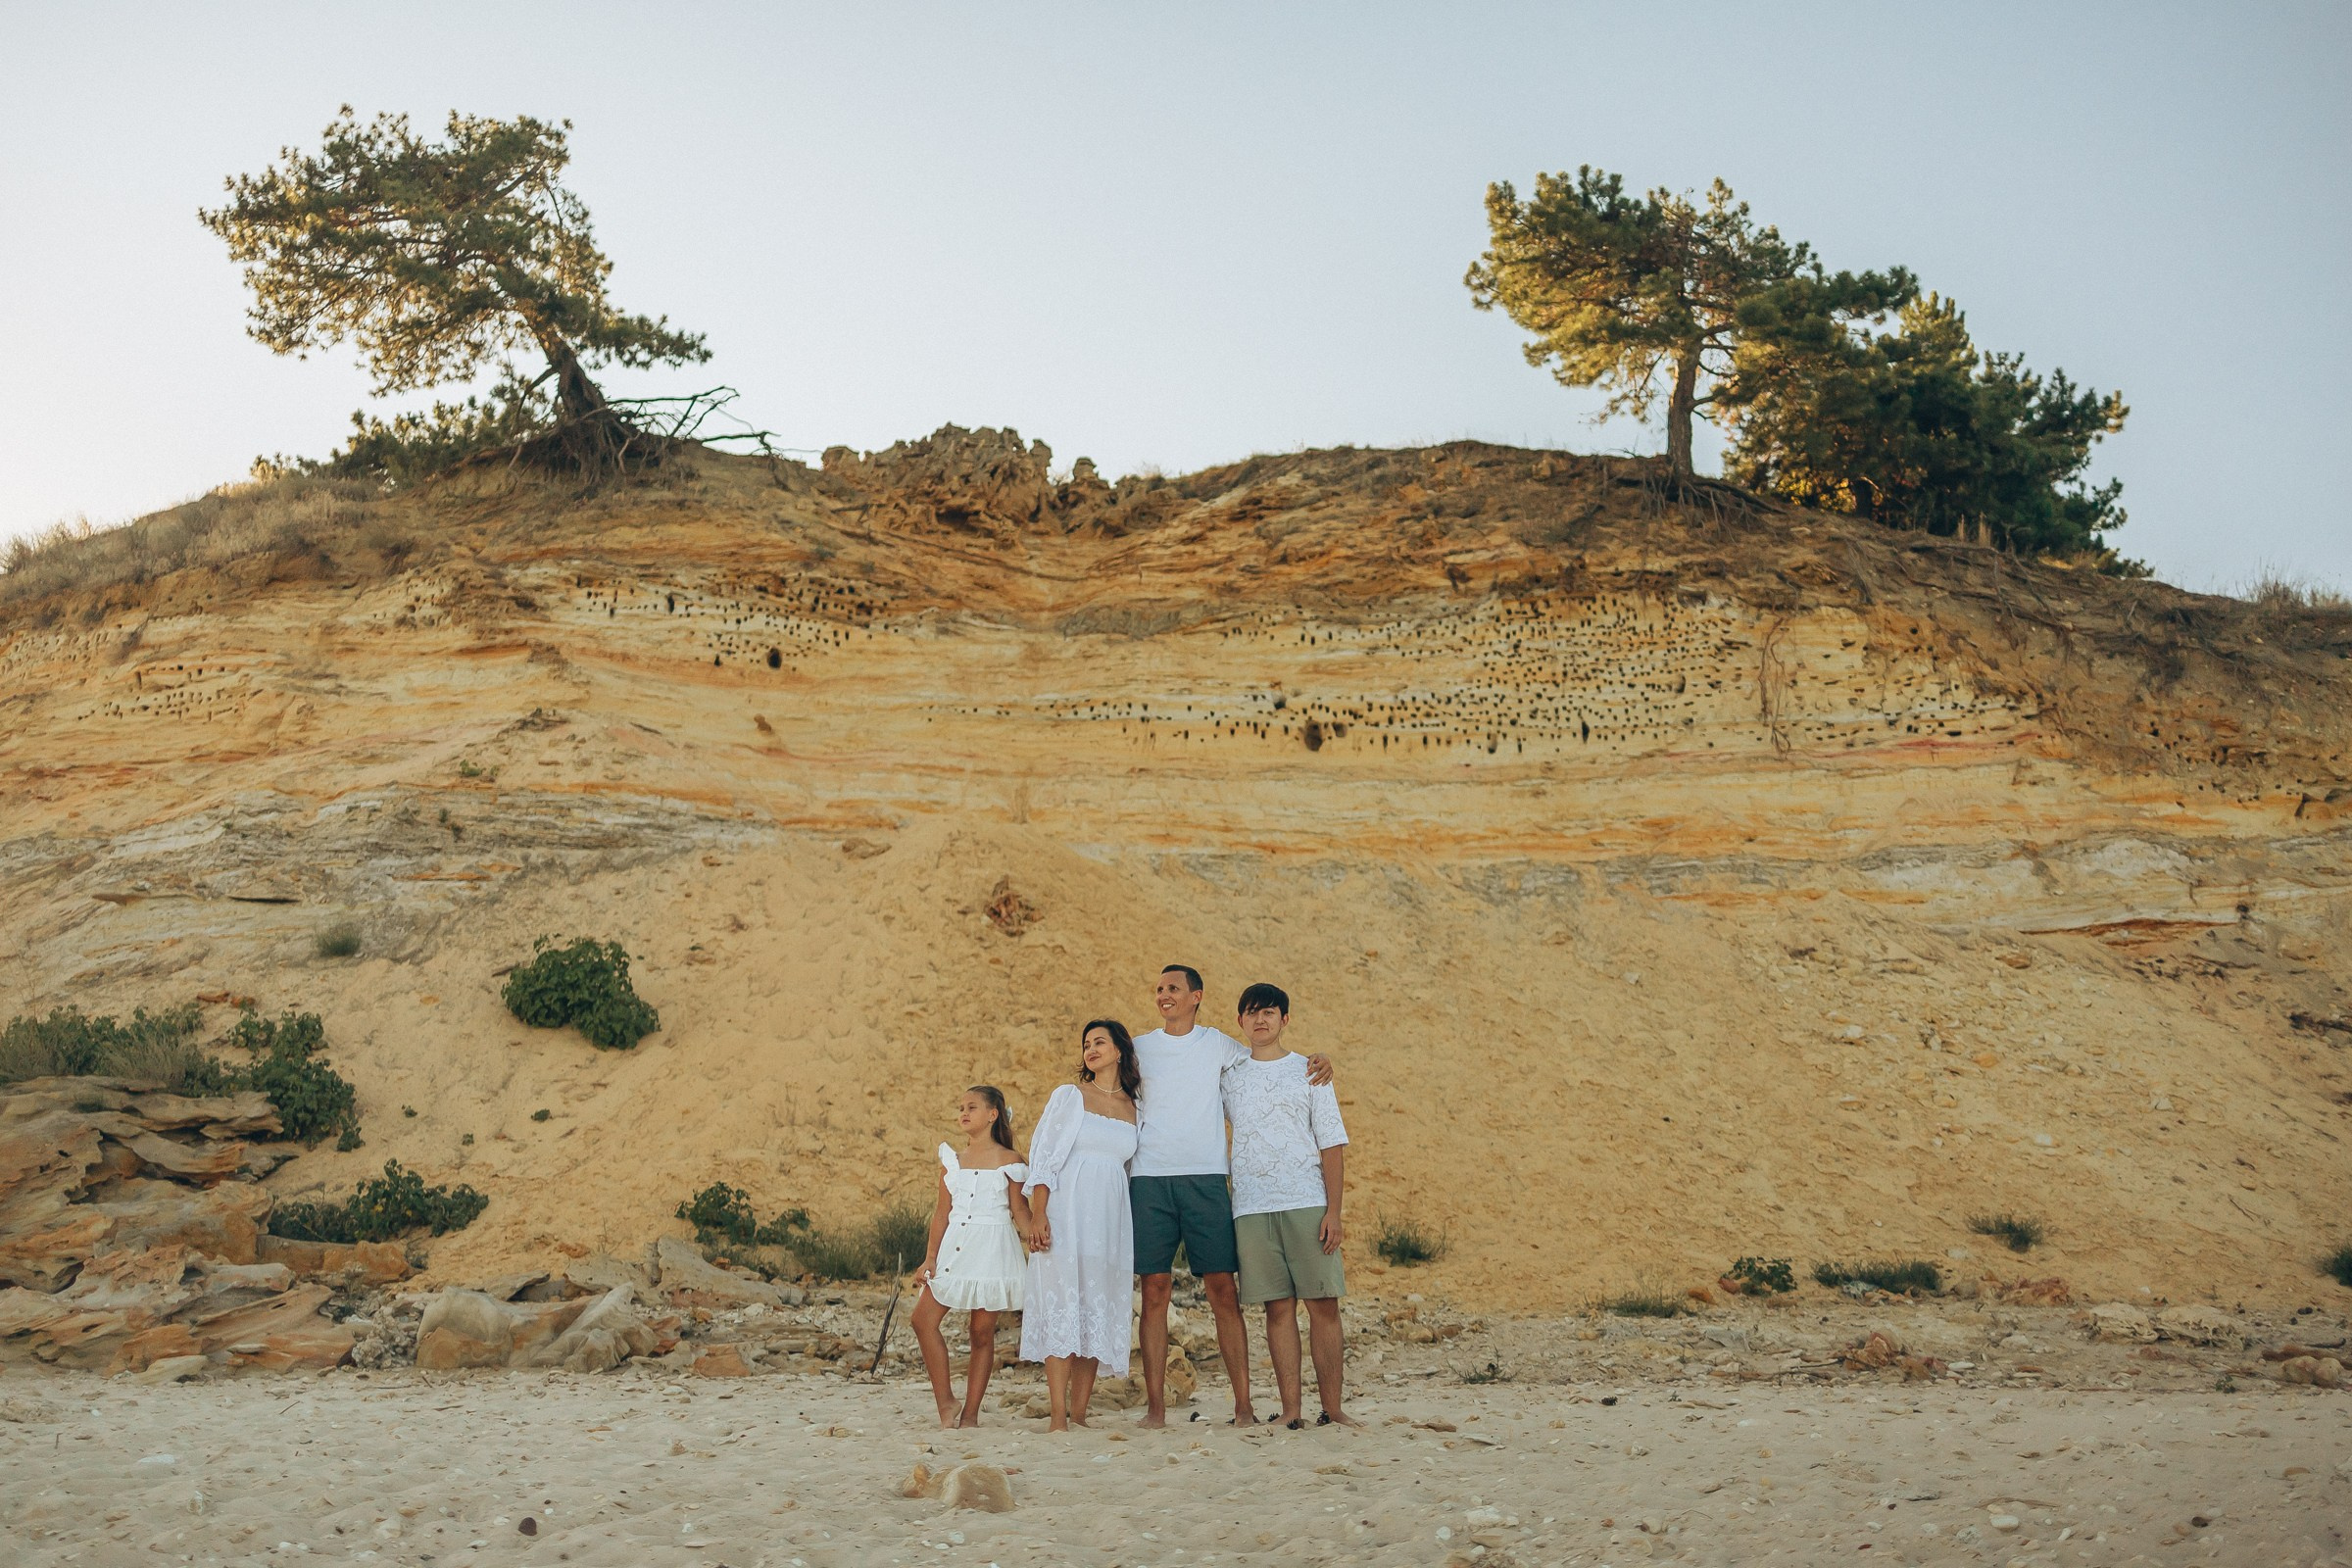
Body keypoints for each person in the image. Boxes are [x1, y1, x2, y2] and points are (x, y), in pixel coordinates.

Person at [1130, 963, 1332, 1428]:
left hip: (1206, 1180)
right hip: (1149, 1180)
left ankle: (1244, 1408)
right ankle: (1155, 1409)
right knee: (1154, 1290)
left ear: (1196, 996)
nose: (1164, 995)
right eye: (1159, 988)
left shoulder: (1221, 1045)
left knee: (1223, 1290)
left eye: (1174, 988)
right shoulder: (1138, 1048)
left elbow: (1271, 1058)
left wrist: (1318, 1059)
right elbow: (1104, 1077)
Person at [1224, 983, 1353, 1428]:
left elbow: (1332, 1144)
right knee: (1277, 1308)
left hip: (1306, 1201)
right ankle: (1292, 1411)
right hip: (1251, 1208)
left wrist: (1333, 1211)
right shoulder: (1229, 1075)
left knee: (1323, 1304)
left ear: (1285, 1020)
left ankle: (1334, 1409)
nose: (1260, 1020)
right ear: (1240, 1021)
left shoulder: (1310, 1072)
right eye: (1252, 1013)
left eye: (1270, 1013)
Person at [1018, 1020, 1140, 1431]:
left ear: (1120, 1050)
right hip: (1066, 1215)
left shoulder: (1135, 1107)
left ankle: (1081, 1414)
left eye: (1099, 1042)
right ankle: (1057, 1417)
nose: (1091, 1049)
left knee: (1094, 1311)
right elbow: (1045, 1158)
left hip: (1109, 1223)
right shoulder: (1071, 1096)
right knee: (1063, 1308)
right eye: (1086, 1044)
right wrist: (1038, 1214)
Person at [910, 1085, 1034, 1429]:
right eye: (960, 1107)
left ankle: (971, 1414)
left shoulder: (1011, 1161)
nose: (963, 1113)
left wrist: (1039, 1233)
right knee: (922, 1320)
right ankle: (947, 1402)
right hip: (956, 1247)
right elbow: (941, 1214)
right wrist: (929, 1258)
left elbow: (1019, 1212)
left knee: (981, 1332)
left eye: (972, 1107)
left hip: (994, 1250)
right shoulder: (954, 1161)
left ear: (993, 1114)